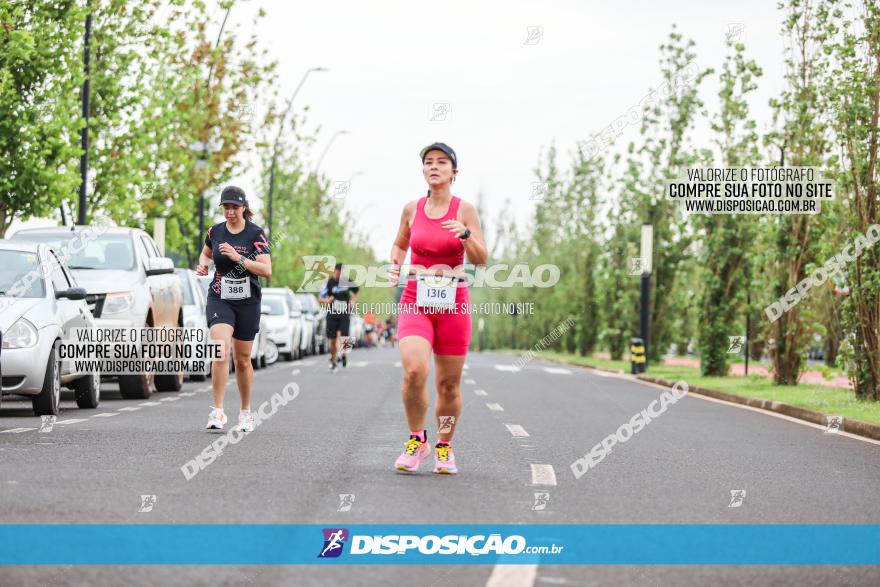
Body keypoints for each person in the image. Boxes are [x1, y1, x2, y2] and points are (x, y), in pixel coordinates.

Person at [388, 142, 487, 475]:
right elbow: (400, 243)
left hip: (453, 303)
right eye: (428, 162)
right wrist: (395, 264)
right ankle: (418, 439)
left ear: (453, 173)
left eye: (441, 163)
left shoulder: (464, 210)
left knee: (449, 385)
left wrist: (466, 236)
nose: (434, 167)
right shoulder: (411, 209)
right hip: (416, 298)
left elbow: (482, 259)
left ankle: (445, 446)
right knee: (414, 369)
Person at [195, 186, 272, 432]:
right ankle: (217, 411)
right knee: (220, 349)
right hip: (220, 297)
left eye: (234, 208)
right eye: (226, 208)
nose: (230, 212)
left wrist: (239, 258)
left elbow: (266, 269)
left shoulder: (255, 234)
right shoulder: (215, 232)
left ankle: (246, 412)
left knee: (242, 360)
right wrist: (203, 266)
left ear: (243, 208)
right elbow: (206, 254)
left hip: (248, 301)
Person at [319, 263, 360, 372]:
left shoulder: (347, 281)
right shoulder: (328, 283)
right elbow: (320, 298)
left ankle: (344, 355)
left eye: (342, 273)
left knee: (345, 338)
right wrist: (327, 300)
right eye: (338, 273)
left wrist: (352, 301)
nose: (340, 275)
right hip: (332, 313)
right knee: (331, 340)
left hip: (345, 313)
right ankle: (333, 360)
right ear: (335, 272)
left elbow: (357, 292)